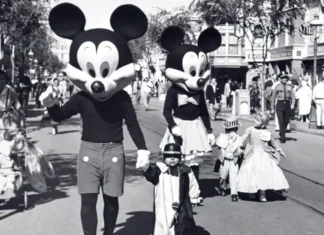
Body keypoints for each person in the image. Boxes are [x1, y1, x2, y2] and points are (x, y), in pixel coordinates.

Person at [142, 143, 201, 235]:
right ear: (164, 157)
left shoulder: (186, 171)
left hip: (182, 204)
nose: (172, 159)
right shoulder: (159, 170)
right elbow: (151, 176)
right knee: (163, 225)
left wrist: (194, 198)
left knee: (183, 225)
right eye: (169, 156)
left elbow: (193, 184)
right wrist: (145, 168)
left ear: (180, 157)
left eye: (175, 156)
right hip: (163, 205)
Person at [237, 111, 289, 202]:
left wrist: (280, 150)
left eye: (258, 120)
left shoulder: (267, 131)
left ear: (263, 123)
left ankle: (262, 193)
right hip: (252, 153)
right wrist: (239, 144)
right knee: (251, 172)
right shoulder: (250, 129)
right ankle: (251, 191)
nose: (255, 121)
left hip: (264, 154)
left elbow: (273, 142)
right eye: (255, 119)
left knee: (263, 173)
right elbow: (244, 137)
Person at [215, 116, 243, 202]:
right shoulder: (222, 137)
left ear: (236, 129)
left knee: (233, 177)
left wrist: (239, 150)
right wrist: (217, 141)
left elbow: (241, 147)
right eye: (227, 130)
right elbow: (215, 143)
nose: (229, 132)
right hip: (225, 160)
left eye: (231, 129)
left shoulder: (238, 138)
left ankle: (234, 193)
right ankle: (222, 188)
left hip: (233, 160)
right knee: (223, 175)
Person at [271, 74, 295, 143]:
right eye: (283, 78)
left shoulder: (290, 87)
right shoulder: (277, 87)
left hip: (287, 105)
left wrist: (293, 104)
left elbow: (293, 96)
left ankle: (282, 131)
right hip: (280, 104)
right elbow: (273, 97)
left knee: (286, 121)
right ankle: (283, 138)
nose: (284, 79)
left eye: (286, 78)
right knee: (281, 121)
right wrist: (272, 108)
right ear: (281, 79)